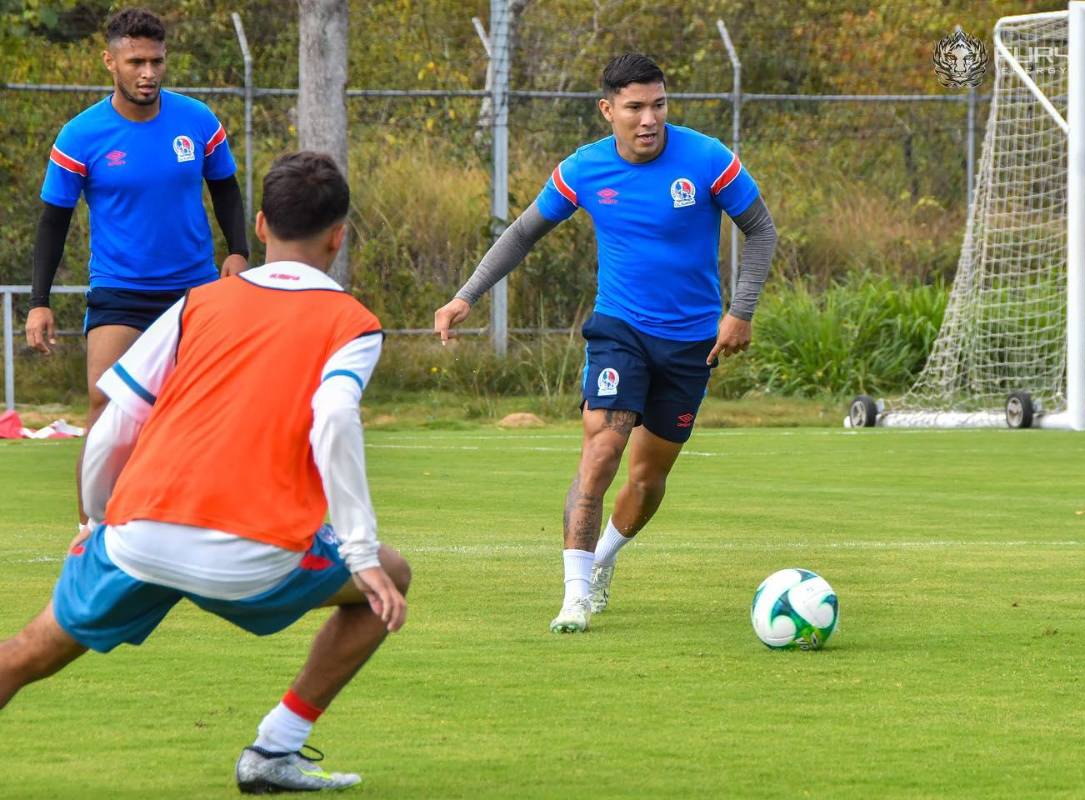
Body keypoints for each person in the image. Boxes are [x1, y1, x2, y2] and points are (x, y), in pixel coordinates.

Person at [0, 151, 408, 794]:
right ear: (339, 235)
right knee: (392, 578)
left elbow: (116, 417)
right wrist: (360, 552)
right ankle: (275, 749)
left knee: (24, 653)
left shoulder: (199, 301)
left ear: (263, 225)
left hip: (139, 537)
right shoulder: (352, 323)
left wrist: (94, 522)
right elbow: (333, 417)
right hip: (254, 554)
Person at [434, 53, 777, 633]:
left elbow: (760, 229)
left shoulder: (708, 159)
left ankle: (601, 564)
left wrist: (740, 312)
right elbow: (521, 235)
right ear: (608, 110)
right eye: (635, 107)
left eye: (659, 105)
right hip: (619, 328)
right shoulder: (584, 170)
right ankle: (572, 597)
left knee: (647, 479)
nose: (649, 119)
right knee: (602, 449)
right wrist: (466, 295)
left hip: (692, 341)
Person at [24, 7, 249, 536]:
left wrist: (238, 252)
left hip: (194, 293)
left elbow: (228, 192)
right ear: (111, 62)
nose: (148, 72)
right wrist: (39, 301)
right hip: (118, 292)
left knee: (203, 410)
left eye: (156, 60)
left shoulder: (197, 122)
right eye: (136, 61)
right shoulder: (81, 135)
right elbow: (52, 223)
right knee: (105, 406)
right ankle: (88, 532)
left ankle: (201, 522)